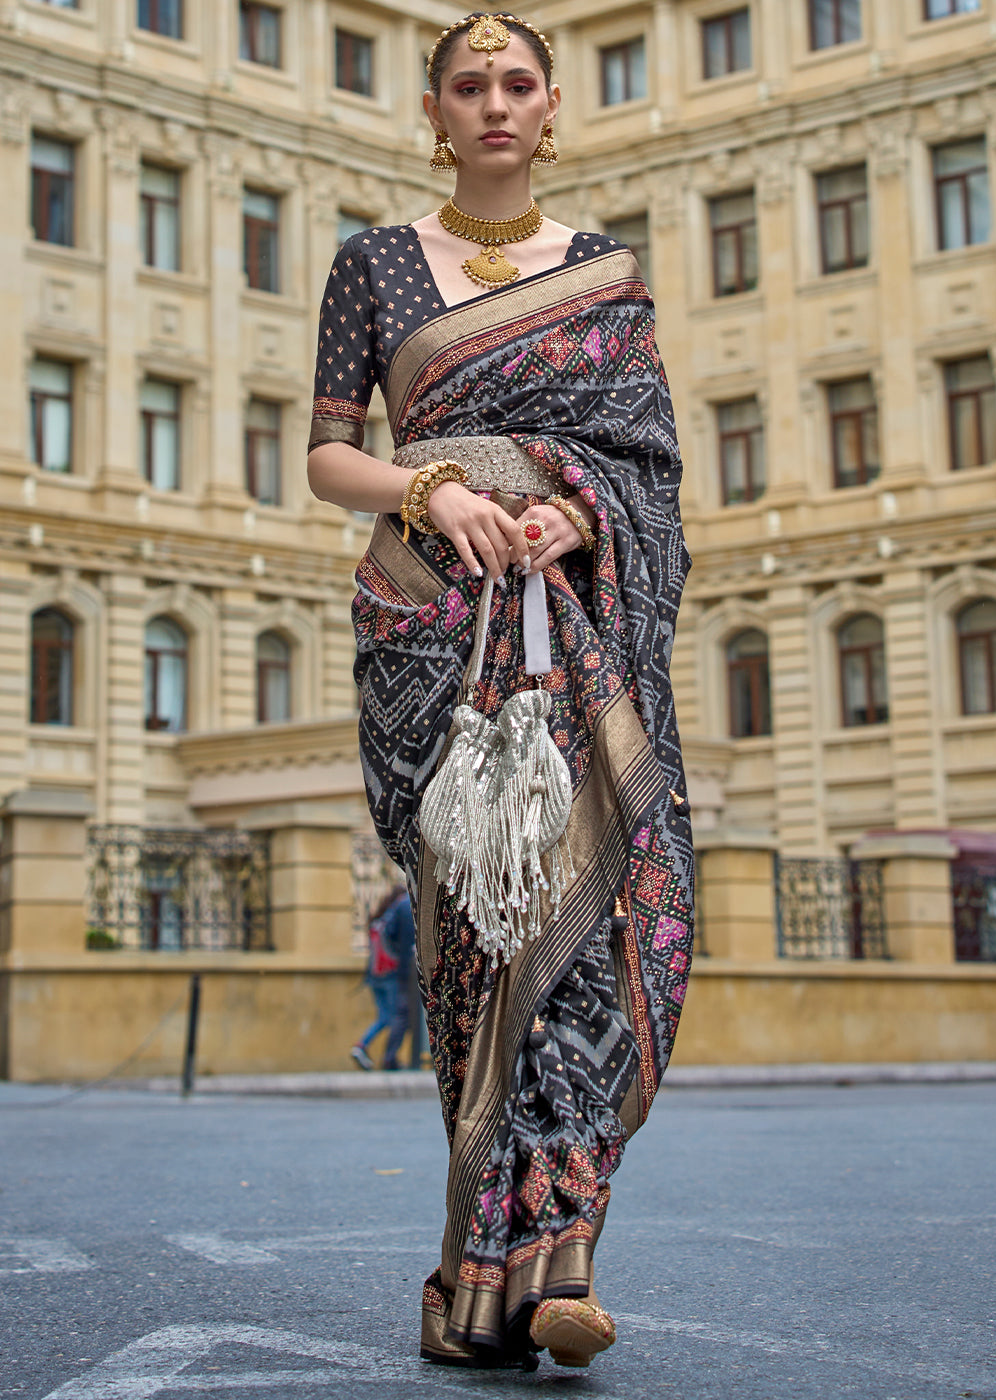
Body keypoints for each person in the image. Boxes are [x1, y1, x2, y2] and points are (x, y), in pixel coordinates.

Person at [308, 11, 694, 1372]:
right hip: (430, 629)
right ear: (434, 109)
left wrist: (578, 516)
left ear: (549, 109)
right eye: (466, 84)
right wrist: (432, 484)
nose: (492, 103)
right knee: (477, 947)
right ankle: (476, 1286)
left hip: (571, 627)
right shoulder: (371, 266)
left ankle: (560, 1264)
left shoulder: (604, 274)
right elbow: (327, 456)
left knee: (591, 935)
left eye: (516, 82)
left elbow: (645, 464)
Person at [350, 885, 405, 1071]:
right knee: (392, 1017)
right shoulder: (395, 916)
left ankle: (365, 1048)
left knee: (385, 1016)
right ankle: (365, 1047)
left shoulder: (378, 920)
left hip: (373, 977)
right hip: (390, 975)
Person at [380, 888, 416, 1071]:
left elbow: (386, 932)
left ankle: (390, 1057)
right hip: (431, 969)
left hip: (406, 968)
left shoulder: (402, 904)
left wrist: (399, 954)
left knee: (402, 1014)